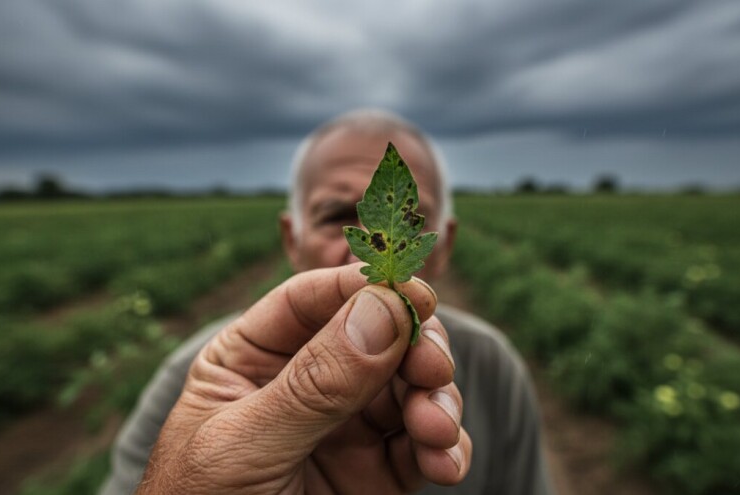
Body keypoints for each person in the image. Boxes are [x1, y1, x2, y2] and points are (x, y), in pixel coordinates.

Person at [99, 109, 553, 494]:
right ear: (290, 239)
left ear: (444, 246)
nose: (359, 253)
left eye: (410, 224)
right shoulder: (195, 383)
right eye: (335, 217)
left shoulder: (494, 370)